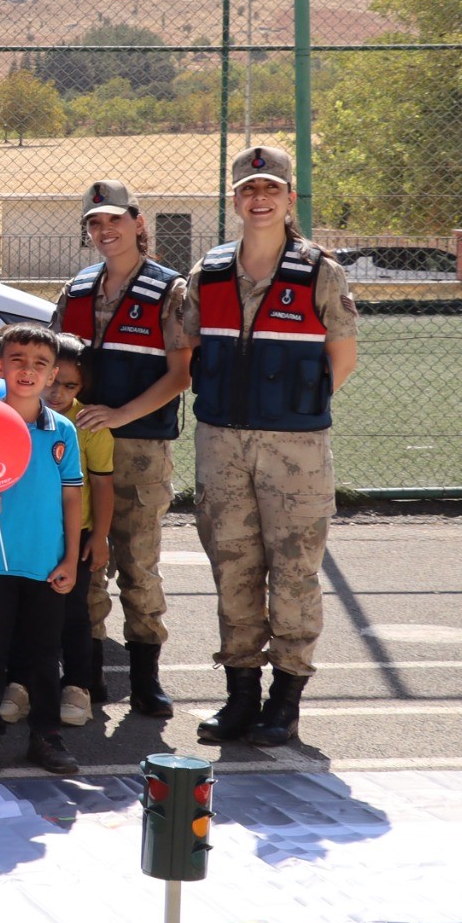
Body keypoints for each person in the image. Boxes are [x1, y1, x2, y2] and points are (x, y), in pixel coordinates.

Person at [171, 147, 359, 749]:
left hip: (294, 448)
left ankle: (286, 699)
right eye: (249, 190)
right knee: (233, 566)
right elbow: (188, 349)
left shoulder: (320, 273)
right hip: (221, 442)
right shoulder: (210, 272)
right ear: (235, 201)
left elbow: (342, 358)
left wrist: (291, 412)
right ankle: (240, 694)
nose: (259, 199)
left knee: (296, 569)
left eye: (271, 189)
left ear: (289, 199)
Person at [52, 178, 192, 719]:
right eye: (95, 222)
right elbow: (56, 367)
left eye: (114, 219)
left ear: (138, 223)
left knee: (138, 563)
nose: (105, 230)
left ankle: (145, 677)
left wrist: (120, 415)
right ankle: (87, 675)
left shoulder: (169, 290)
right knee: (85, 555)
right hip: (81, 447)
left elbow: (180, 374)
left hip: (140, 447)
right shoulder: (78, 290)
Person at [0, 324, 87, 778]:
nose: (27, 371)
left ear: (53, 374)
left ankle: (46, 736)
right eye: (17, 361)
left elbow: (73, 495)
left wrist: (71, 559)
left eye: (39, 364)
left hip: (45, 562)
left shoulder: (63, 431)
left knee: (43, 654)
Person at [34, 337, 116, 729]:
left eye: (71, 386)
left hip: (77, 535)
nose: (59, 392)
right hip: (28, 533)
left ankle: (78, 687)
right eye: (55, 382)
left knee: (74, 614)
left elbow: (102, 485)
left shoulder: (90, 426)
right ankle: (23, 685)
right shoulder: (19, 416)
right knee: (29, 613)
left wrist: (98, 536)